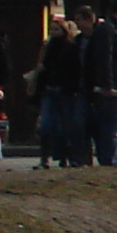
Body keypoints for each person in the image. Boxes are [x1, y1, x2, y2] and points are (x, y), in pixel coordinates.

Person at [77, 0, 117, 165]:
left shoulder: (112, 30)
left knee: (110, 125)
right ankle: (109, 159)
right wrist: (107, 85)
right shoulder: (107, 30)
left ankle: (108, 157)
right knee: (110, 126)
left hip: (115, 85)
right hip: (110, 89)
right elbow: (104, 58)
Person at [36, 12, 83, 167]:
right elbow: (42, 69)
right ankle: (45, 157)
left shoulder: (70, 48)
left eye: (57, 30)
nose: (54, 33)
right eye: (52, 30)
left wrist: (70, 86)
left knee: (64, 126)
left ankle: (64, 156)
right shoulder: (48, 48)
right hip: (49, 90)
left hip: (65, 91)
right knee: (46, 125)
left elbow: (74, 70)